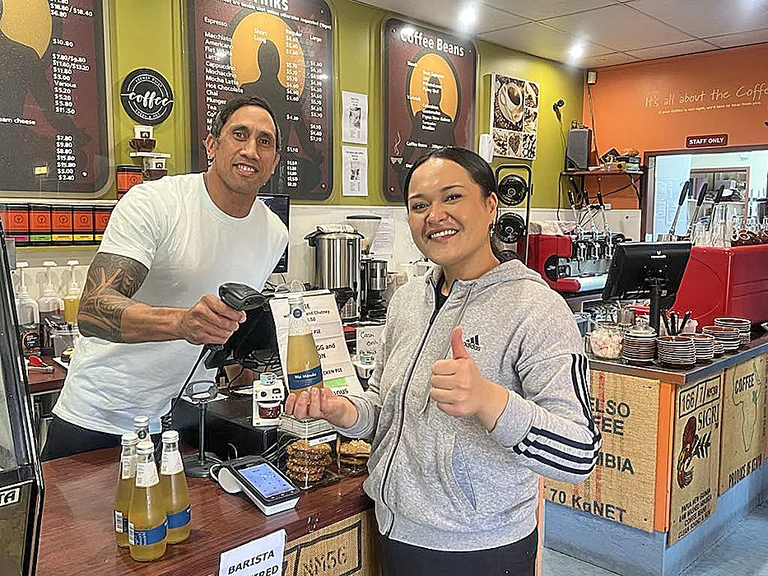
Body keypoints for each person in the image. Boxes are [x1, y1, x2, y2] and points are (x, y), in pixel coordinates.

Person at [286, 147, 600, 575]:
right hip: (396, 532)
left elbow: (580, 453)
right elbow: (385, 408)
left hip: (480, 550)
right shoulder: (407, 300)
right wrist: (346, 411)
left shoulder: (537, 309)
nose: (434, 215)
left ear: (490, 206)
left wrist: (490, 401)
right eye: (419, 205)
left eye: (452, 197)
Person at [43, 96, 288, 460]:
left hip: (183, 425)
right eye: (240, 134)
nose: (251, 150)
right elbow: (93, 310)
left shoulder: (273, 234)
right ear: (212, 144)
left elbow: (230, 329)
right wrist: (182, 322)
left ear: (275, 163)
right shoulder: (156, 203)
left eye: (264, 141)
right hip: (100, 417)